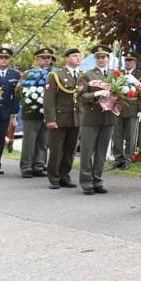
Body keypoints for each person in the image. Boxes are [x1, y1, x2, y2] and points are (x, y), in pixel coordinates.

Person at [77, 45, 117, 194]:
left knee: (101, 152)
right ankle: (87, 182)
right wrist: (96, 94)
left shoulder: (114, 75)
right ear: (95, 59)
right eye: (99, 57)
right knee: (87, 151)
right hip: (91, 117)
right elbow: (81, 96)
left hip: (108, 117)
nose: (101, 60)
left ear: (108, 59)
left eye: (104, 57)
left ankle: (98, 180)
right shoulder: (87, 75)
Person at [43, 48, 83, 189]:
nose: (78, 58)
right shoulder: (55, 75)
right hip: (60, 118)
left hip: (76, 119)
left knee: (70, 150)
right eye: (74, 56)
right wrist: (50, 119)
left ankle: (65, 176)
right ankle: (54, 177)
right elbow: (49, 100)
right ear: (66, 58)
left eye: (79, 56)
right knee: (56, 150)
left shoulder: (82, 76)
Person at [17, 47, 57, 178]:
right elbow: (18, 92)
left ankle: (39, 165)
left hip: (47, 113)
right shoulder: (28, 74)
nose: (46, 60)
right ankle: (27, 166)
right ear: (36, 59)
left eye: (49, 58)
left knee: (43, 141)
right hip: (31, 112)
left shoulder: (55, 74)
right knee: (29, 141)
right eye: (43, 58)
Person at [0, 47, 22, 174]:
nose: (3, 60)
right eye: (1, 58)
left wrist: (13, 113)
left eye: (6, 58)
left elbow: (16, 95)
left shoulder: (15, 75)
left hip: (4, 112)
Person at [111, 51, 141, 170]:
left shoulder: (140, 75)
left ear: (135, 62)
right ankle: (118, 158)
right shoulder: (118, 74)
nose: (128, 63)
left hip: (133, 108)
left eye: (130, 60)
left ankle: (127, 159)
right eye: (126, 60)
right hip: (119, 107)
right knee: (117, 134)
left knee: (131, 135)